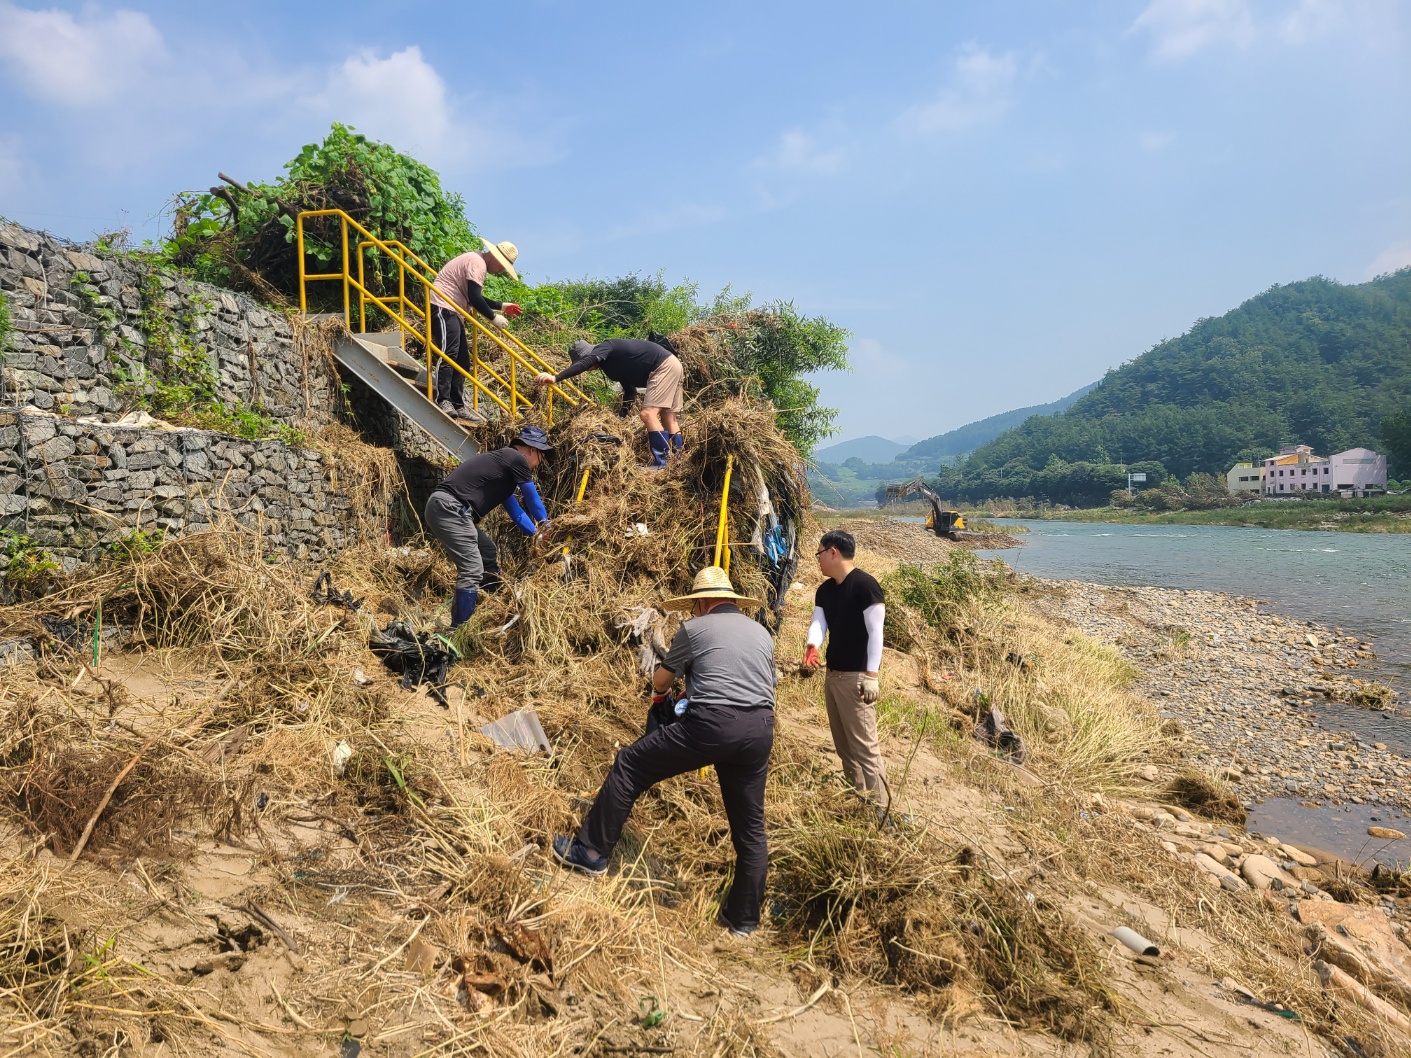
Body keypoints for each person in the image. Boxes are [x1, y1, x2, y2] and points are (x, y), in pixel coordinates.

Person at [552, 566, 776, 937]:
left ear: (702, 602)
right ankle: (744, 920)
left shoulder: (695, 629)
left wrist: (669, 695)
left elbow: (661, 679)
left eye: (694, 605)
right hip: (760, 729)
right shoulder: (762, 633)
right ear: (734, 602)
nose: (693, 611)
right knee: (750, 826)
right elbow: (751, 683)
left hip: (712, 725)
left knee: (630, 763)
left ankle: (590, 853)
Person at [423, 425, 553, 628]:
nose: (539, 464)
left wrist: (536, 534)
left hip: (447, 508)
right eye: (541, 457)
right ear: (531, 450)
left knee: (487, 550)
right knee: (472, 570)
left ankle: (493, 603)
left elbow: (517, 513)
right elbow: (531, 497)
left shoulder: (504, 472)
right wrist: (547, 527)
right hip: (451, 507)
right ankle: (458, 630)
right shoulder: (516, 458)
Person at [801, 530, 889, 814]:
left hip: (857, 680)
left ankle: (882, 812)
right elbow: (819, 622)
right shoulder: (825, 590)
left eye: (819, 554)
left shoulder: (865, 586)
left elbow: (877, 633)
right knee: (845, 747)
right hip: (833, 676)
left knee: (865, 748)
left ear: (833, 552)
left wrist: (871, 675)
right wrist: (812, 645)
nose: (818, 561)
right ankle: (858, 799)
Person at [534, 337, 684, 468]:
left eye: (583, 361)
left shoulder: (605, 347)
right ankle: (677, 460)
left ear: (587, 355)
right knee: (668, 417)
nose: (588, 368)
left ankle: (662, 462)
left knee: (647, 414)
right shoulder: (612, 366)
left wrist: (555, 378)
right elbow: (630, 391)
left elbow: (587, 362)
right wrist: (621, 417)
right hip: (673, 364)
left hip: (662, 366)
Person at [429, 238, 522, 422]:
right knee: (449, 353)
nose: (502, 270)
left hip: (454, 310)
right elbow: (474, 297)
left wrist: (502, 306)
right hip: (443, 306)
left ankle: (458, 404)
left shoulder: (478, 262)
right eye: (503, 266)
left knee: (463, 360)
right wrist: (494, 318)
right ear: (495, 258)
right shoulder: (477, 262)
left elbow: (474, 296)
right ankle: (443, 399)